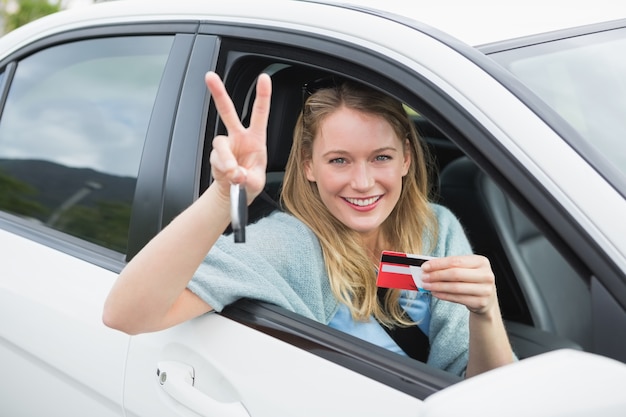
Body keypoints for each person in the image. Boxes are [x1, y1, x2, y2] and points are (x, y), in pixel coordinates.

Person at [103, 71, 515, 377]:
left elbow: (484, 390)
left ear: (406, 158)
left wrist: (485, 311)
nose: (363, 182)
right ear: (308, 167)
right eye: (339, 160)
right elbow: (126, 314)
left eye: (381, 157)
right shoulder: (290, 246)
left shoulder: (436, 228)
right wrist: (223, 196)